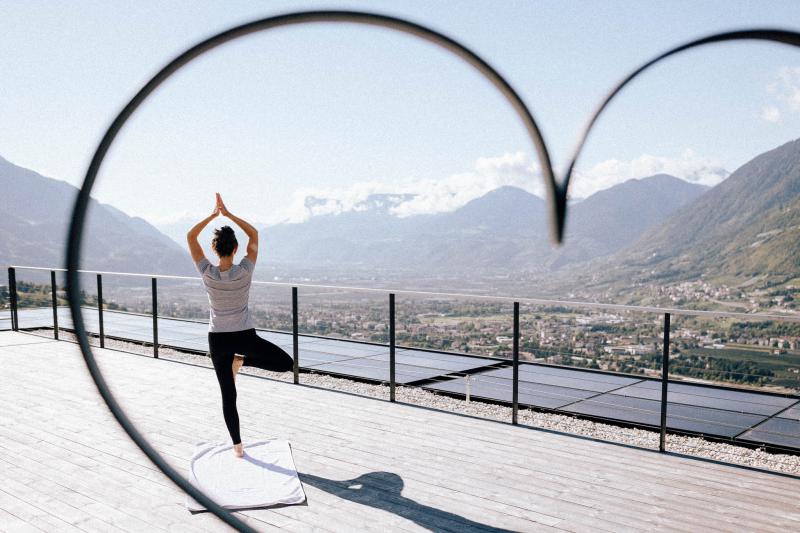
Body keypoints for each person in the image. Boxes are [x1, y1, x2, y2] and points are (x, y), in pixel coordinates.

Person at [187, 193, 293, 457]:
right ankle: (242, 362)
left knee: (227, 394)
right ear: (235, 249)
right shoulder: (245, 269)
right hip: (244, 337)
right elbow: (254, 234)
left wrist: (213, 216)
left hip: (218, 339)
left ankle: (237, 447)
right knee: (285, 364)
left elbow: (191, 237)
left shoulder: (207, 272)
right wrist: (228, 214)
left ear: (214, 249)